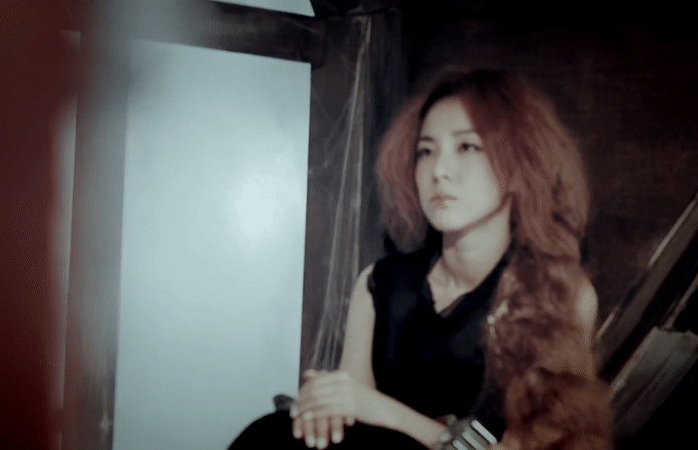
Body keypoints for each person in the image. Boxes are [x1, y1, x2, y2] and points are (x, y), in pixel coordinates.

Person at [228, 69, 612, 450]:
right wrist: (322, 407)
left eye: (467, 147)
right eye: (426, 151)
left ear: (518, 167)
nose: (439, 171)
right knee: (269, 436)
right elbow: (348, 425)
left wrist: (387, 412)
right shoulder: (380, 284)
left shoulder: (560, 294)